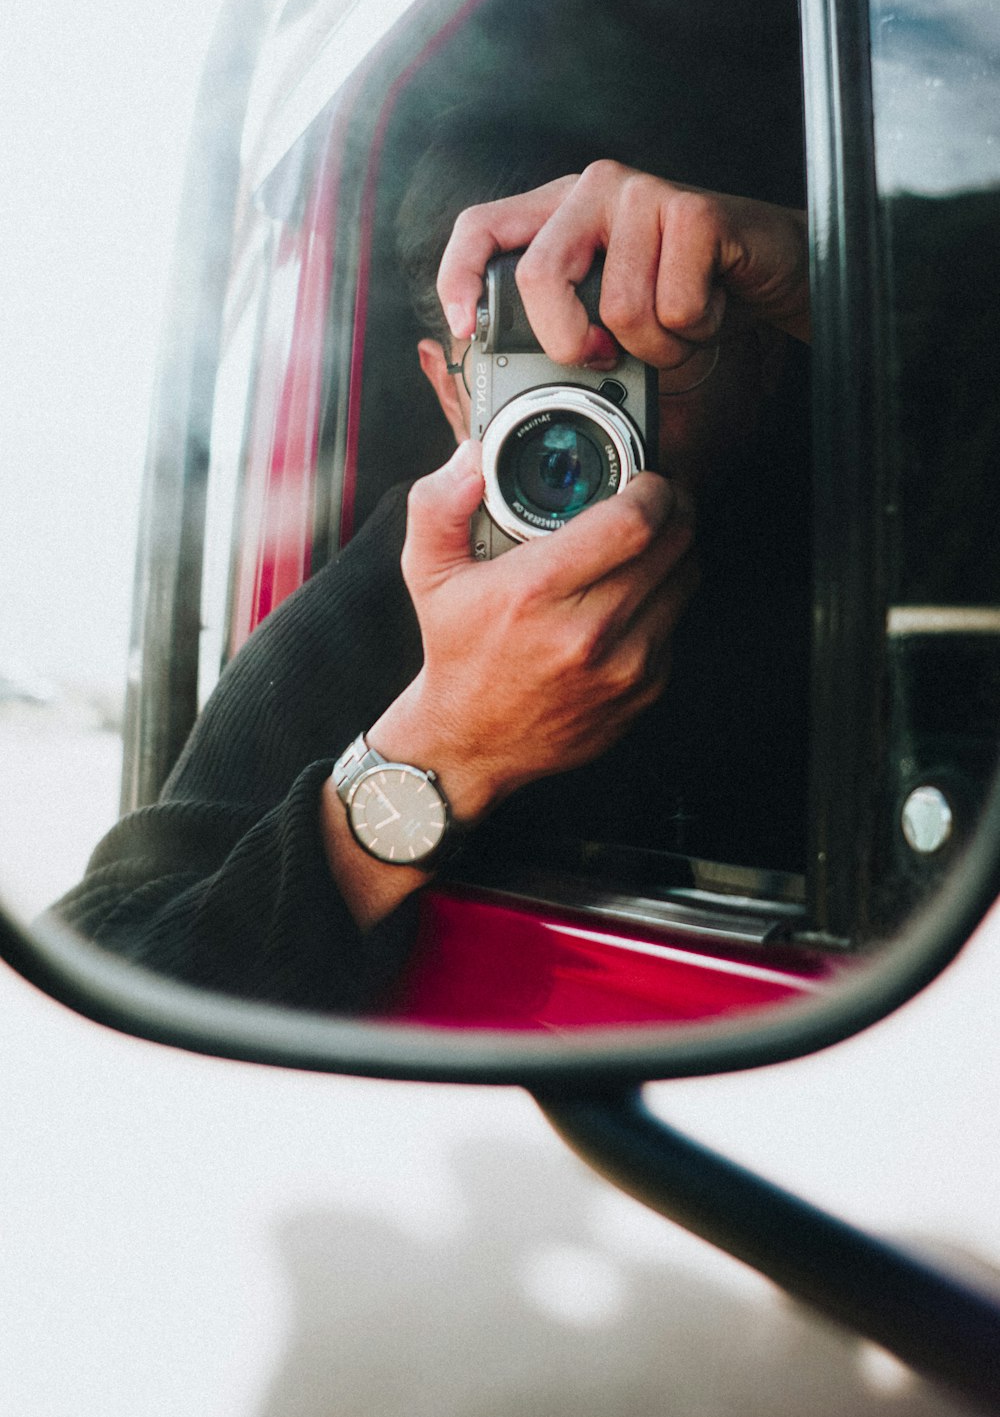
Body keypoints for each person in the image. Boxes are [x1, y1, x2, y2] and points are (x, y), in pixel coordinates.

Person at [52, 153, 810, 1012]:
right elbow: (111, 965)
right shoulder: (398, 591)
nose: (573, 416)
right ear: (450, 397)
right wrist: (445, 745)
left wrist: (817, 272)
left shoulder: (857, 515)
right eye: (514, 370)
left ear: (764, 367)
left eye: (650, 349)